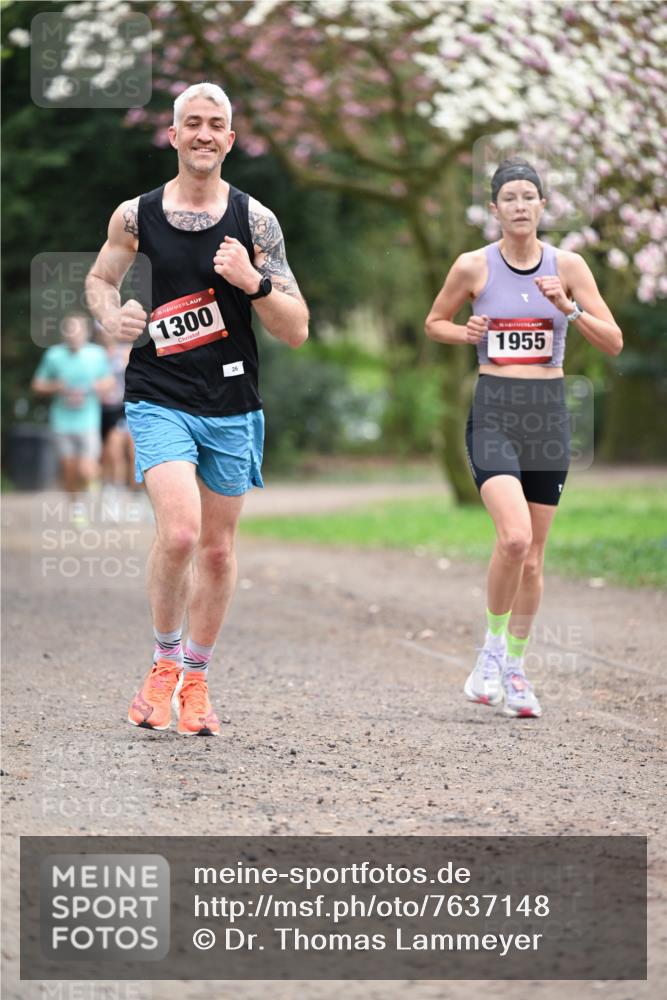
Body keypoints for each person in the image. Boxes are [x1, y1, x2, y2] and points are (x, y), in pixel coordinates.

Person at [85, 82, 309, 736]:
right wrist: (112, 314)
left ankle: (197, 679)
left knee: (215, 550)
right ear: (175, 135)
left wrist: (253, 282)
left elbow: (294, 328)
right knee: (180, 533)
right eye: (193, 123)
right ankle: (162, 664)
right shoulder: (136, 215)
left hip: (232, 403)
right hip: (160, 395)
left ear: (229, 140)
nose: (205, 133)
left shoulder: (256, 222)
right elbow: (101, 279)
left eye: (216, 124)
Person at [425, 158, 622, 718]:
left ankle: (515, 668)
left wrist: (571, 307)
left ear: (541, 206)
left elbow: (613, 341)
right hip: (494, 411)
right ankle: (488, 654)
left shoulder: (570, 266)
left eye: (527, 197)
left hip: (548, 416)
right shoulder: (473, 266)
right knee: (512, 539)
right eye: (507, 197)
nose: (518, 205)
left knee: (534, 559)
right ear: (494, 209)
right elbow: (433, 322)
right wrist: (463, 332)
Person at [31, 312, 112, 497]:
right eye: (70, 330)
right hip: (62, 422)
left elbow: (110, 383)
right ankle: (77, 508)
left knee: (86, 467)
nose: (73, 334)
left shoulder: (97, 354)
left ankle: (97, 485)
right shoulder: (53, 355)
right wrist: (55, 386)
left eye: (78, 330)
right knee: (69, 470)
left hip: (88, 420)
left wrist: (96, 386)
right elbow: (37, 385)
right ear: (64, 332)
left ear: (86, 332)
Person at [98, 336, 136, 495]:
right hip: (99, 408)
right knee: (105, 452)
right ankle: (108, 485)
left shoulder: (127, 351)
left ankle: (125, 488)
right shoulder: (96, 354)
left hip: (122, 407)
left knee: (121, 449)